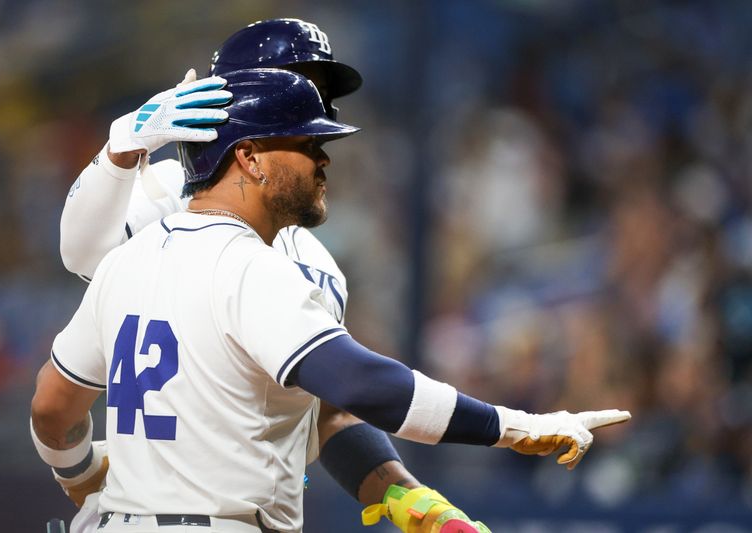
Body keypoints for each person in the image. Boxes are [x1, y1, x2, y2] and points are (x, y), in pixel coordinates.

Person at [32, 68, 631, 533]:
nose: (324, 158)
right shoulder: (249, 266)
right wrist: (517, 425)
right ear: (250, 157)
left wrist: (85, 478)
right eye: (306, 142)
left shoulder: (129, 260)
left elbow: (52, 407)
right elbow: (363, 385)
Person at [56, 18, 494, 533]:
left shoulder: (316, 257)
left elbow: (325, 408)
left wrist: (406, 494)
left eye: (322, 91)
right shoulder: (170, 195)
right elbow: (80, 256)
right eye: (298, 81)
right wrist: (120, 151)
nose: (315, 104)